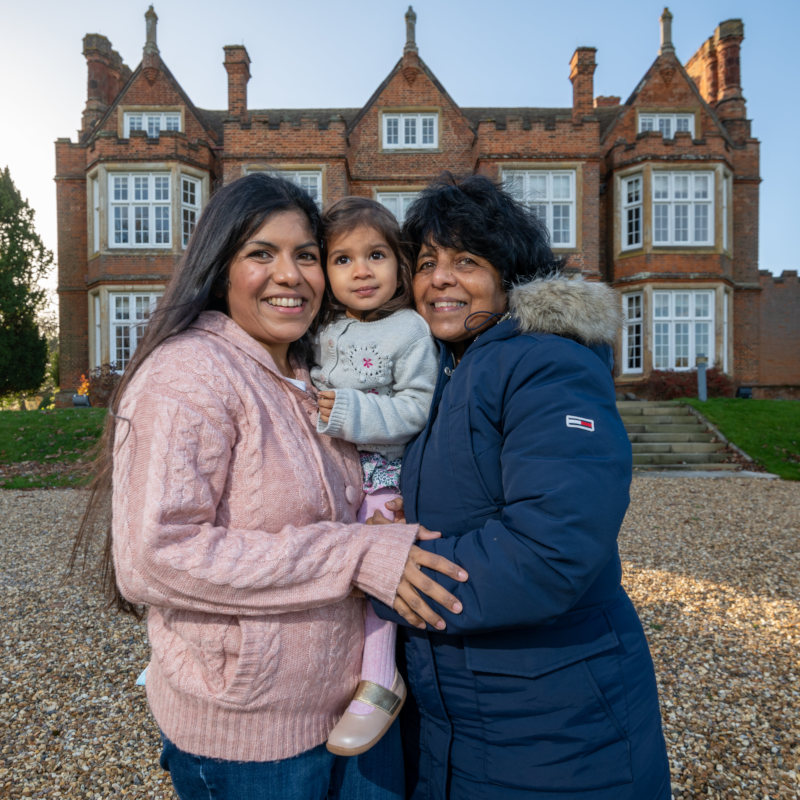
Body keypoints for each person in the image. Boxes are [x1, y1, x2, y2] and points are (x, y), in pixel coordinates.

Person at [71, 173, 468, 800]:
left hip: (356, 707)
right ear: (219, 265)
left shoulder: (309, 368)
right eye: (262, 253)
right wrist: (358, 553)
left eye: (305, 255)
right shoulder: (189, 375)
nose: (291, 275)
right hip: (253, 736)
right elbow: (155, 558)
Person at [372, 173, 671, 799]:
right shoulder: (444, 369)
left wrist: (386, 573)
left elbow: (550, 549)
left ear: (510, 276)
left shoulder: (545, 361)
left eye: (467, 261)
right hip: (454, 715)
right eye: (426, 262)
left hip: (554, 723)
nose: (440, 279)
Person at [311, 198, 439, 757]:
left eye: (376, 255)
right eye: (342, 259)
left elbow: (417, 407)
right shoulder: (320, 327)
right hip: (330, 472)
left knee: (379, 571)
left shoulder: (409, 328)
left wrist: (345, 413)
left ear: (399, 265)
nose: (361, 270)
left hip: (384, 478)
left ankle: (381, 677)